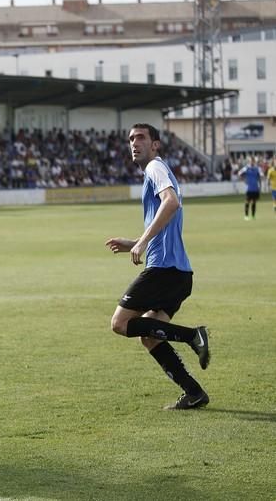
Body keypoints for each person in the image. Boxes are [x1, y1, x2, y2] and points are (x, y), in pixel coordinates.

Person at [105, 123, 211, 410]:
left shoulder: (155, 167)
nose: (134, 143)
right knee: (150, 338)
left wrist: (142, 244)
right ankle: (194, 393)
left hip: (164, 269)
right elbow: (165, 216)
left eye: (140, 137)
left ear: (155, 144)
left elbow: (171, 202)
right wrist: (135, 241)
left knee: (120, 323)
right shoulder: (155, 170)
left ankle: (192, 335)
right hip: (179, 274)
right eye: (130, 138)